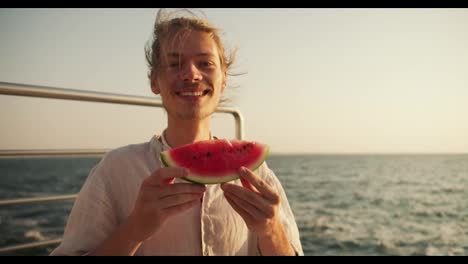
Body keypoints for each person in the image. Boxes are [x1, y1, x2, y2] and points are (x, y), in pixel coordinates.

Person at [51, 9, 303, 256]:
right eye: (175, 64)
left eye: (205, 63)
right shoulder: (115, 170)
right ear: (154, 81)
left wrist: (271, 231)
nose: (192, 74)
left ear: (223, 79)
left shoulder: (256, 173)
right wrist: (134, 229)